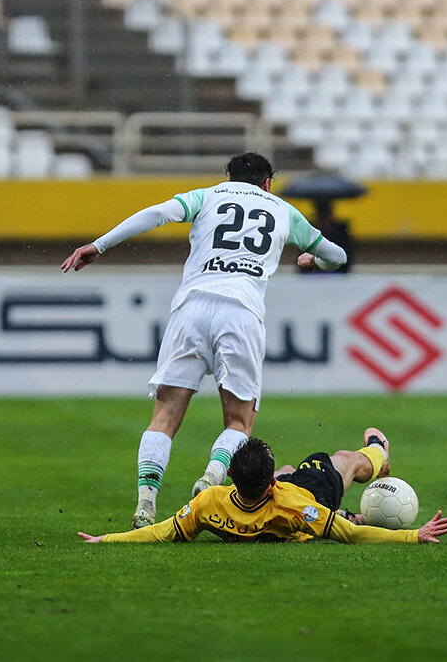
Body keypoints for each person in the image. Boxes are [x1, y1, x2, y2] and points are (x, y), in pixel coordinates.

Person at [60, 152, 348, 529]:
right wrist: (313, 261)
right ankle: (211, 478)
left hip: (191, 307)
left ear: (228, 178)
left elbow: (156, 213)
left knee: (163, 417)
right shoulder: (284, 211)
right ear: (267, 183)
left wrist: (98, 246)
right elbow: (338, 256)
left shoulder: (207, 196)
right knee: (239, 421)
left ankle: (146, 501)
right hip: (242, 312)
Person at [78, 428, 447, 544]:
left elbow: (161, 533)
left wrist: (105, 539)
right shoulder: (294, 507)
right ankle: (377, 451)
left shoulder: (210, 502)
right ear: (270, 481)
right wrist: (412, 536)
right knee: (344, 461)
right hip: (311, 495)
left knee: (292, 465)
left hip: (280, 499)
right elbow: (351, 535)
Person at [297, 199, 354, 274]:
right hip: (312, 272)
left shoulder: (340, 228)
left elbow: (346, 250)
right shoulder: (310, 228)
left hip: (337, 271)